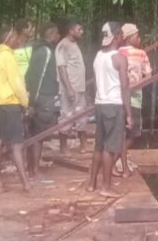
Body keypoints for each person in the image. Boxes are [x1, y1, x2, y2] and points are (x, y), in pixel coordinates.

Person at [87, 22, 132, 198]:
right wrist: (129, 114)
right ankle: (106, 187)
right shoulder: (120, 58)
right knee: (110, 148)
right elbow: (125, 87)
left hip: (100, 105)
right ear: (117, 35)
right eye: (121, 35)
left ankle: (91, 184)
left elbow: (95, 83)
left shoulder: (98, 56)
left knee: (99, 146)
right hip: (114, 106)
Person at [0, 21, 31, 193]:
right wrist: (25, 102)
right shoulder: (8, 57)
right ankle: (26, 184)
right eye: (15, 37)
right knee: (16, 144)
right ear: (9, 38)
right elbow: (17, 83)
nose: (17, 40)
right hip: (11, 104)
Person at [114, 23, 151, 177]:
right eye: (137, 36)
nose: (139, 38)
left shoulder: (116, 53)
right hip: (134, 100)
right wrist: (135, 86)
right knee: (133, 135)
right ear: (129, 38)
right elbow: (148, 76)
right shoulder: (141, 54)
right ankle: (113, 162)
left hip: (117, 99)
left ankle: (122, 167)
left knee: (122, 134)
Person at [25, 22, 61, 178]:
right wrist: (32, 103)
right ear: (51, 34)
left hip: (40, 98)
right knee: (38, 136)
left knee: (34, 134)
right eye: (57, 33)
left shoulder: (38, 49)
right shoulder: (45, 52)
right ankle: (35, 170)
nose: (58, 36)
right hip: (42, 99)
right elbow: (36, 79)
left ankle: (31, 168)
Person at [55, 19, 88, 153]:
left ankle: (83, 145)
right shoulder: (63, 46)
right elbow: (61, 68)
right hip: (69, 88)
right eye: (79, 29)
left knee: (82, 115)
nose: (82, 32)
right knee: (66, 116)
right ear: (71, 30)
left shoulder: (74, 44)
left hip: (79, 88)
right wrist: (68, 89)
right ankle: (63, 147)